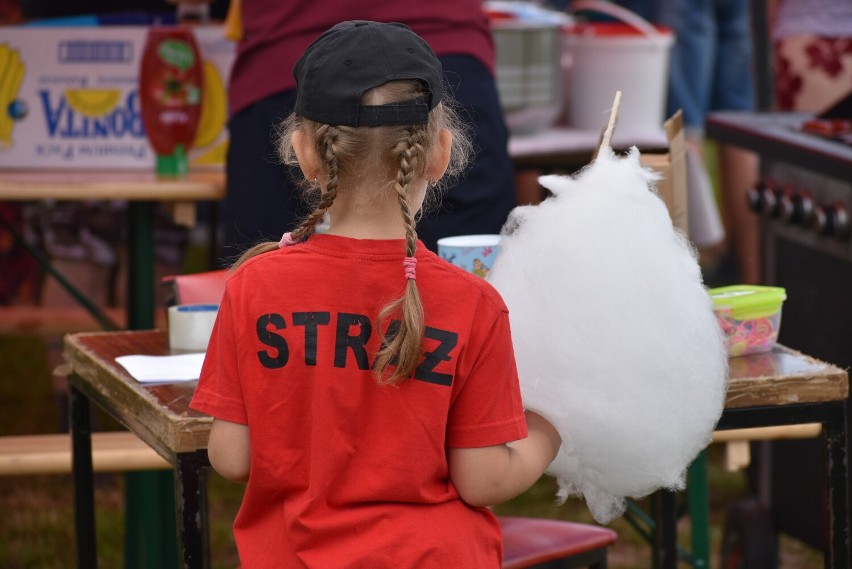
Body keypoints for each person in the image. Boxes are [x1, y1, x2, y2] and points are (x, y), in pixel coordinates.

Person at [190, 21, 561, 568]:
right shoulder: (473, 303)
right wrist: (550, 432)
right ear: (440, 152)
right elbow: (482, 479)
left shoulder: (254, 285)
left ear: (304, 154)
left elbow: (230, 455)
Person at [218, 0, 517, 258]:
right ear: (443, 154)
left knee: (275, 296)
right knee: (468, 289)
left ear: (301, 154)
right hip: (444, 46)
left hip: (290, 54)